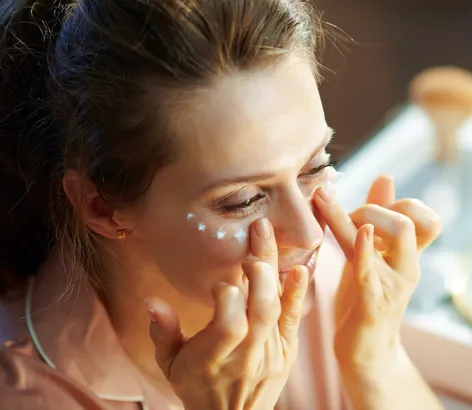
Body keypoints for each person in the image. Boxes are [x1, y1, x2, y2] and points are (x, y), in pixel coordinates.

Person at [0, 0, 446, 409]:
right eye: (244, 200)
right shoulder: (26, 394)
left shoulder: (320, 282)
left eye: (314, 167)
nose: (312, 234)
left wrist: (375, 357)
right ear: (102, 206)